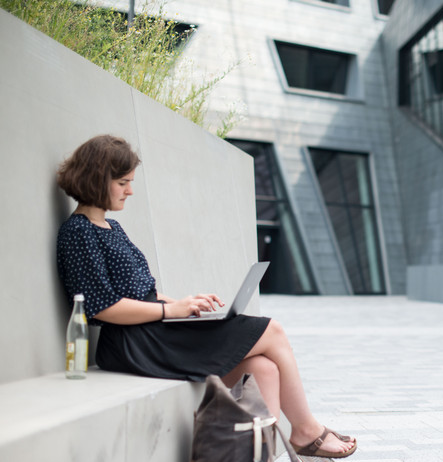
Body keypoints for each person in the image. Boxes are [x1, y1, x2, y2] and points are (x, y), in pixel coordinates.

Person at [55, 135, 356, 459]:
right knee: (273, 330)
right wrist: (172, 312)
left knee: (264, 369)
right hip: (133, 343)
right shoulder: (78, 232)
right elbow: (103, 308)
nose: (130, 190)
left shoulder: (112, 228)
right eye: (123, 182)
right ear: (99, 179)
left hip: (153, 330)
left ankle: (261, 454)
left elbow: (146, 292)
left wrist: (184, 304)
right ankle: (305, 431)